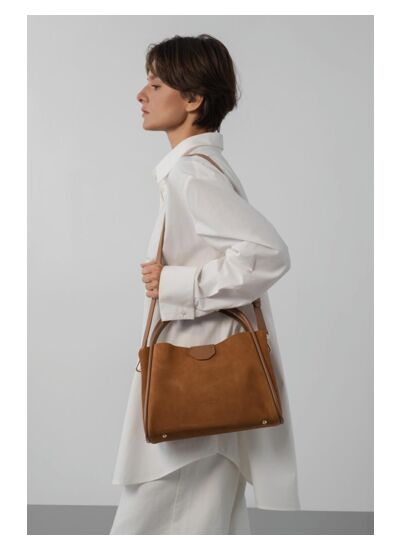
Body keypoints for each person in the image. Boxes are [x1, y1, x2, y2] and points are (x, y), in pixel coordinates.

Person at [109, 33, 301, 535]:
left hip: (194, 390)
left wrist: (176, 284)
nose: (141, 95)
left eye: (155, 84)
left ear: (193, 99)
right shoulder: (195, 170)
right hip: (212, 386)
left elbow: (268, 254)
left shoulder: (191, 175)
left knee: (152, 523)